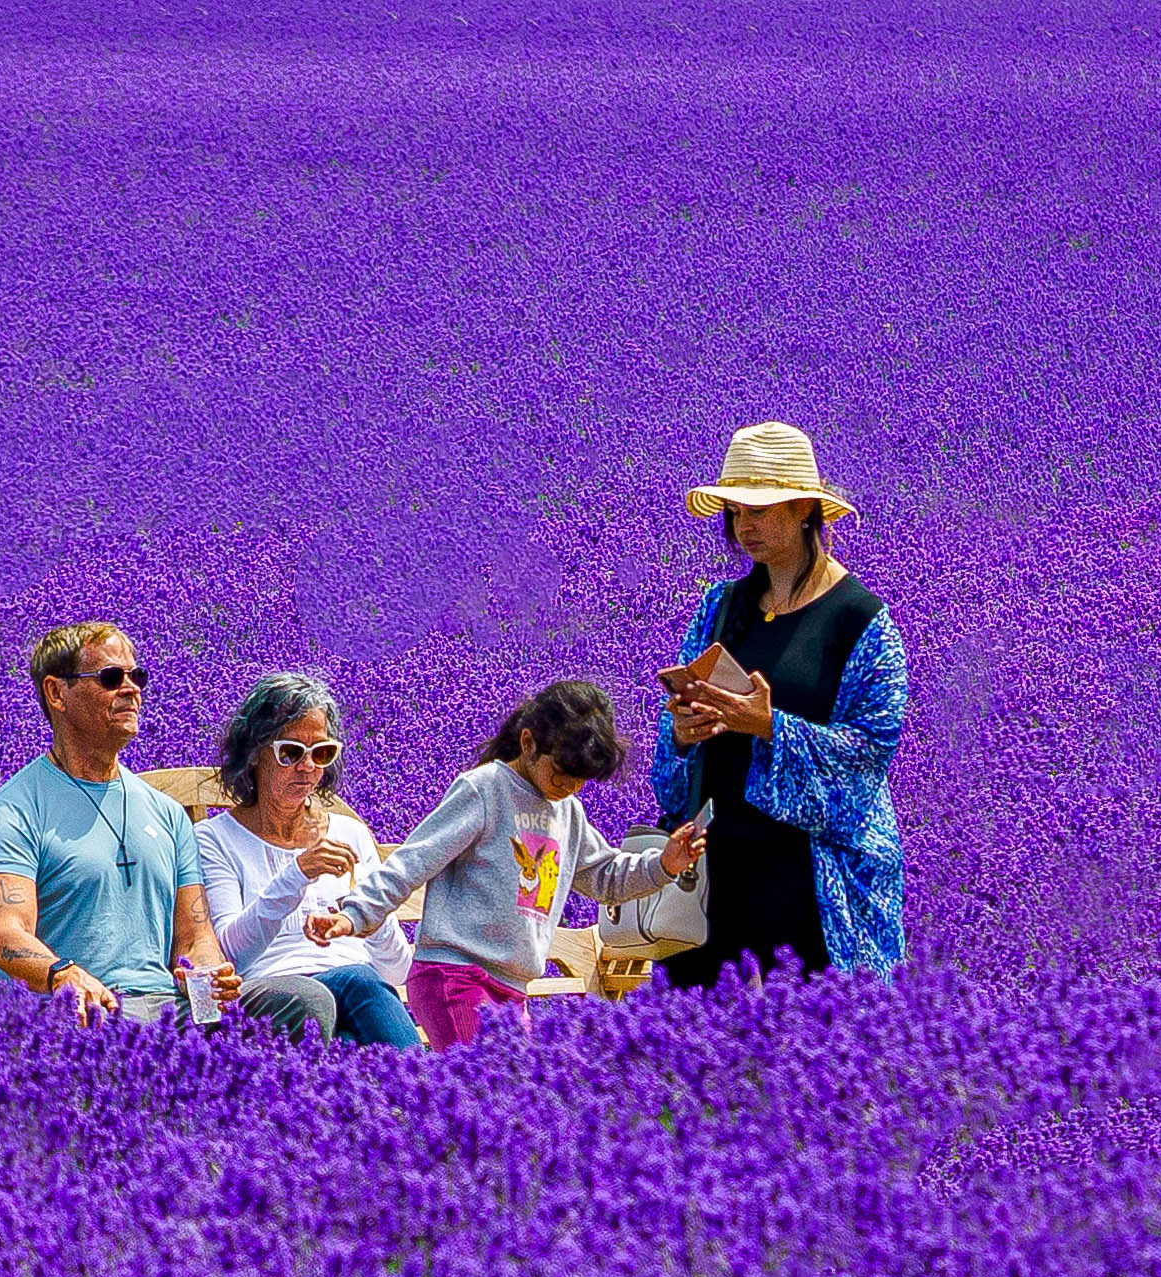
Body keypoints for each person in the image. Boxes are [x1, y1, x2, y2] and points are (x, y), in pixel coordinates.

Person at [0, 620, 333, 1034]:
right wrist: (64, 976)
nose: (131, 689)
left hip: (167, 1007)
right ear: (56, 693)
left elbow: (195, 938)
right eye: (110, 678)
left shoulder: (166, 813)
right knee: (110, 1029)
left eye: (135, 675)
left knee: (303, 1001)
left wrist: (209, 975)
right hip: (82, 1009)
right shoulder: (14, 811)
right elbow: (6, 934)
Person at [307, 681, 706, 1050]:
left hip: (512, 987)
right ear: (528, 742)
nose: (569, 788)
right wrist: (355, 914)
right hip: (455, 975)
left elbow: (605, 878)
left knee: (508, 1104)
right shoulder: (485, 789)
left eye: (581, 780)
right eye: (561, 774)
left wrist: (665, 864)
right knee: (486, 1090)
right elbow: (414, 860)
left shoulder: (566, 811)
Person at [651, 421, 908, 987]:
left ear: (804, 511)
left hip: (811, 883)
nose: (745, 525)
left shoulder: (860, 621)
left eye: (760, 511)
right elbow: (672, 739)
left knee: (815, 1050)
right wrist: (684, 732)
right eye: (737, 512)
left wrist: (770, 725)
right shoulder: (720, 606)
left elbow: (871, 753)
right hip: (717, 874)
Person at [196, 674, 422, 1048]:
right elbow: (229, 956)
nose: (307, 768)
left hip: (359, 999)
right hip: (273, 997)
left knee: (350, 1041)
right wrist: (297, 874)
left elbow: (396, 971)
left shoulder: (350, 834)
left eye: (321, 753)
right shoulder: (214, 840)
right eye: (291, 752)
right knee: (358, 983)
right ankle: (428, 1094)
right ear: (254, 753)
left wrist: (367, 918)